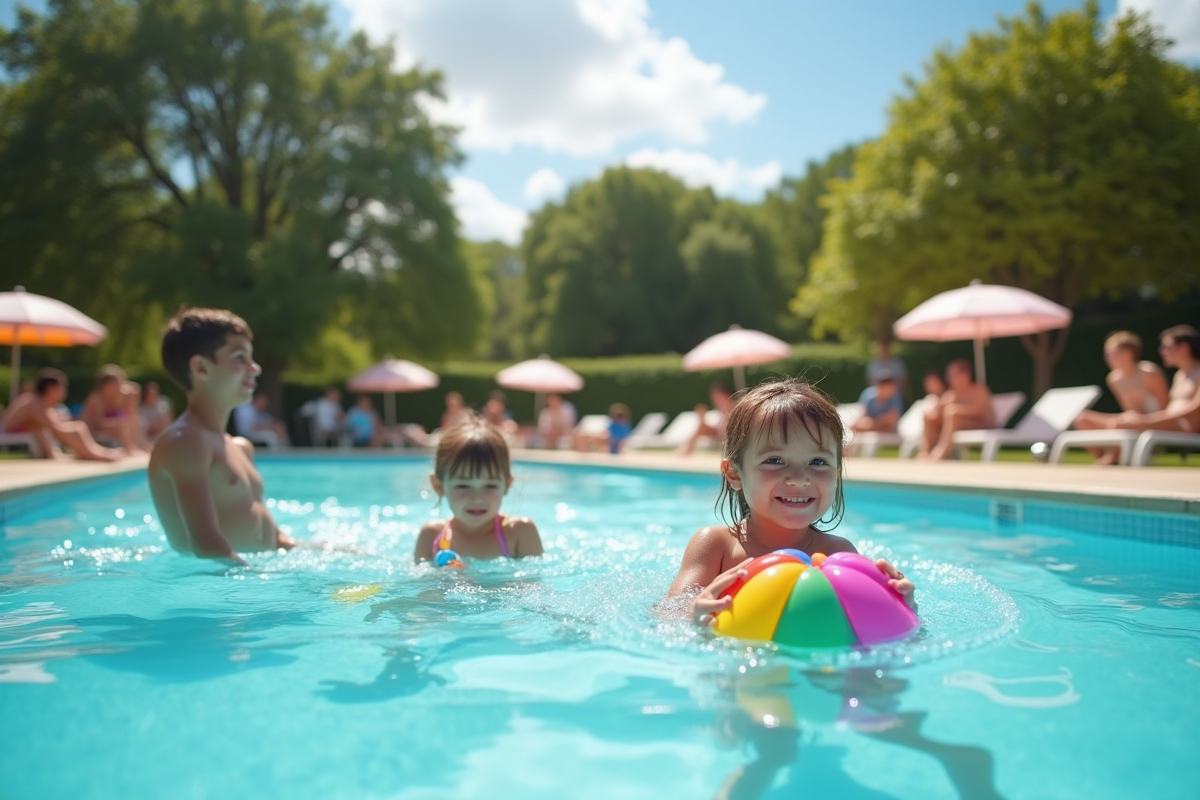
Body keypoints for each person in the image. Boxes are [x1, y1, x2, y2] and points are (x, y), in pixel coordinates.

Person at [666, 379, 915, 627]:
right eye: (774, 460)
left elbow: (870, 635)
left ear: (837, 474)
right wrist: (694, 615)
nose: (798, 479)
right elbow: (667, 616)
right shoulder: (717, 546)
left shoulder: (837, 554)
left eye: (817, 462)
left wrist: (902, 607)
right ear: (734, 473)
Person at [148, 307, 296, 563]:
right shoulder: (186, 441)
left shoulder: (239, 447)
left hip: (255, 571)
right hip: (222, 586)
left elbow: (271, 530)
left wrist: (300, 549)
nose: (255, 368)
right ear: (201, 367)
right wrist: (265, 583)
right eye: (240, 357)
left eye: (252, 357)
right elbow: (206, 545)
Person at [413, 413, 543, 563]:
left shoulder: (520, 533)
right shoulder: (432, 537)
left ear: (507, 485)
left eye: (490, 486)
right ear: (438, 486)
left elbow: (532, 585)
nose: (477, 498)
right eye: (463, 486)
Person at [1072, 331, 1170, 463]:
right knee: (1082, 418)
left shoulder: (1149, 372)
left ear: (1128, 352)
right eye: (1107, 353)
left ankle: (1112, 459)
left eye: (1112, 353)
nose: (1108, 357)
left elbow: (1166, 407)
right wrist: (1128, 418)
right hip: (1131, 420)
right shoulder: (1113, 379)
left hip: (1153, 422)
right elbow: (1130, 409)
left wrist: (1140, 420)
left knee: (1121, 422)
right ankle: (1101, 458)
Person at [2, 369, 122, 461]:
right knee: (74, 428)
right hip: (12, 432)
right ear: (50, 389)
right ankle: (92, 454)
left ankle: (96, 452)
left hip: (29, 429)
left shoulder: (40, 402)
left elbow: (56, 423)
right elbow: (57, 429)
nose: (64, 390)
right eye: (61, 387)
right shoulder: (34, 403)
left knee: (78, 426)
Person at [1100, 325, 1200, 435]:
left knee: (1124, 425)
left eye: (1166, 346)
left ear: (1184, 347)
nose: (1162, 351)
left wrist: (1147, 420)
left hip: (1186, 428)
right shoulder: (1180, 375)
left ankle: (1113, 453)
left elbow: (1196, 410)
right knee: (1122, 422)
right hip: (1172, 423)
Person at [921, 359, 994, 460]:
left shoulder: (979, 390)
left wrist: (956, 409)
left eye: (952, 375)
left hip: (983, 425)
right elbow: (939, 408)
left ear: (965, 375)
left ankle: (941, 453)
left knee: (953, 414)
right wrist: (935, 413)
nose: (949, 379)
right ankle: (925, 452)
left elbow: (977, 411)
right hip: (961, 425)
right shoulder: (953, 394)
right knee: (929, 416)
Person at [82, 364, 148, 454]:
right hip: (94, 430)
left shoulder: (115, 397)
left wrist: (130, 398)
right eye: (117, 383)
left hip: (106, 426)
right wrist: (116, 422)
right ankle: (131, 450)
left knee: (133, 419)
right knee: (121, 424)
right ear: (107, 385)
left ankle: (139, 446)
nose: (120, 386)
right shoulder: (96, 399)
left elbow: (131, 412)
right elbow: (97, 423)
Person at [679, 382, 735, 455]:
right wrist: (702, 418)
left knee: (702, 426)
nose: (713, 398)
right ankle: (686, 450)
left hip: (726, 434)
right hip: (720, 433)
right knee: (702, 426)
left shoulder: (731, 407)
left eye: (716, 395)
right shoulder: (721, 408)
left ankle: (686, 451)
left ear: (724, 394)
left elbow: (728, 426)